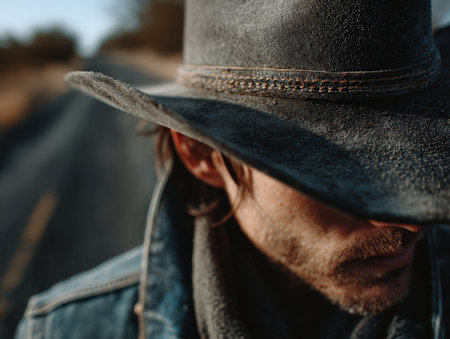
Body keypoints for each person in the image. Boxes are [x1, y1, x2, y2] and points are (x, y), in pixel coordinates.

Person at [16, 0, 449, 338]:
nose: (405, 219)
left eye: (421, 157)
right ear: (201, 156)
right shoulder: (68, 329)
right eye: (337, 172)